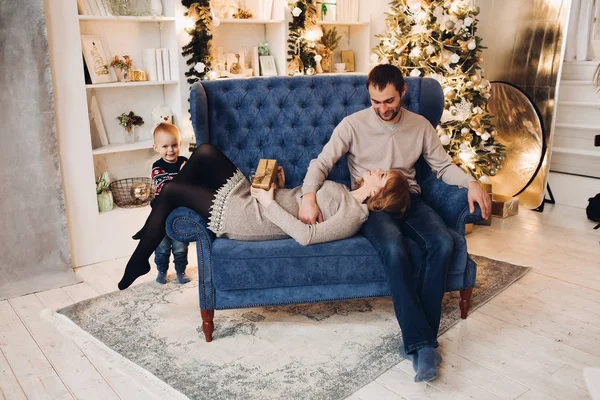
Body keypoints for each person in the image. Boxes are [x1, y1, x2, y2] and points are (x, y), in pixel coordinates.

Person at [298, 64, 491, 382]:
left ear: (402, 92)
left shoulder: (420, 126)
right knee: (394, 247)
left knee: (443, 243)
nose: (382, 108)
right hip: (373, 204)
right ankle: (424, 345)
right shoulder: (353, 125)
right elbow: (322, 162)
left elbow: (442, 167)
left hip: (409, 199)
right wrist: (308, 196)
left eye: (388, 101)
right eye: (375, 101)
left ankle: (420, 342)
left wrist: (470, 182)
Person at [118, 142, 411, 291]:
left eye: (382, 175)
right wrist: (281, 190)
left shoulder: (352, 216)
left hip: (252, 217)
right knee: (206, 152)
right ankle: (151, 230)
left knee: (170, 191)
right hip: (260, 197)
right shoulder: (346, 193)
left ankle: (140, 257)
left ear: (381, 194)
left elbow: (307, 236)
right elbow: (302, 204)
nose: (375, 170)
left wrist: (271, 203)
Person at [149, 122, 190, 285]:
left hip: (180, 214)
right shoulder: (157, 167)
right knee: (162, 246)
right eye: (165, 146)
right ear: (156, 148)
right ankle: (162, 270)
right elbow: (165, 187)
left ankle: (180, 270)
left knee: (180, 246)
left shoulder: (185, 162)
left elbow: (190, 186)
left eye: (174, 145)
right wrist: (182, 175)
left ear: (180, 144)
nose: (170, 150)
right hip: (160, 216)